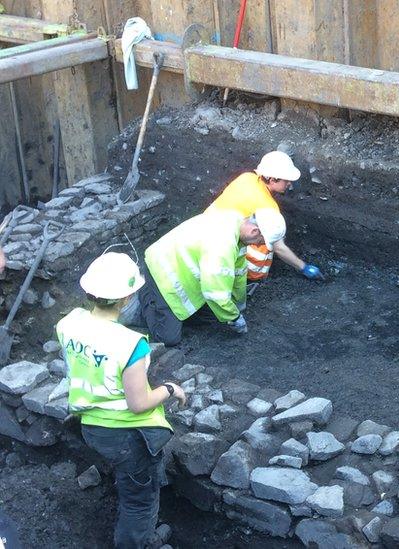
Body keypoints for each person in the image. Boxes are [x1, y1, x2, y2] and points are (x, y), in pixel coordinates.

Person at [56, 252, 187, 549]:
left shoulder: (68, 324)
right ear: (127, 299)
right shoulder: (130, 344)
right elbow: (139, 403)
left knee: (127, 478)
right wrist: (169, 389)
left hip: (90, 425)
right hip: (126, 436)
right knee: (139, 502)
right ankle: (138, 543)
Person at [132, 208, 284, 346]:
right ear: (254, 231)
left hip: (181, 269)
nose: (258, 245)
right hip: (162, 272)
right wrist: (235, 318)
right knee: (169, 338)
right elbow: (215, 294)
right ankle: (145, 298)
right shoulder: (222, 245)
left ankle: (179, 314)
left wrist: (239, 304)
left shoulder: (236, 222)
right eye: (261, 241)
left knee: (215, 316)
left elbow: (239, 272)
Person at [207, 150, 325, 282]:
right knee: (265, 241)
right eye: (286, 180)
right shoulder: (267, 207)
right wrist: (304, 267)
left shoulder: (246, 177)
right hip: (221, 248)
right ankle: (251, 275)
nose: (289, 184)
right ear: (273, 179)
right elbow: (278, 247)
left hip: (205, 229)